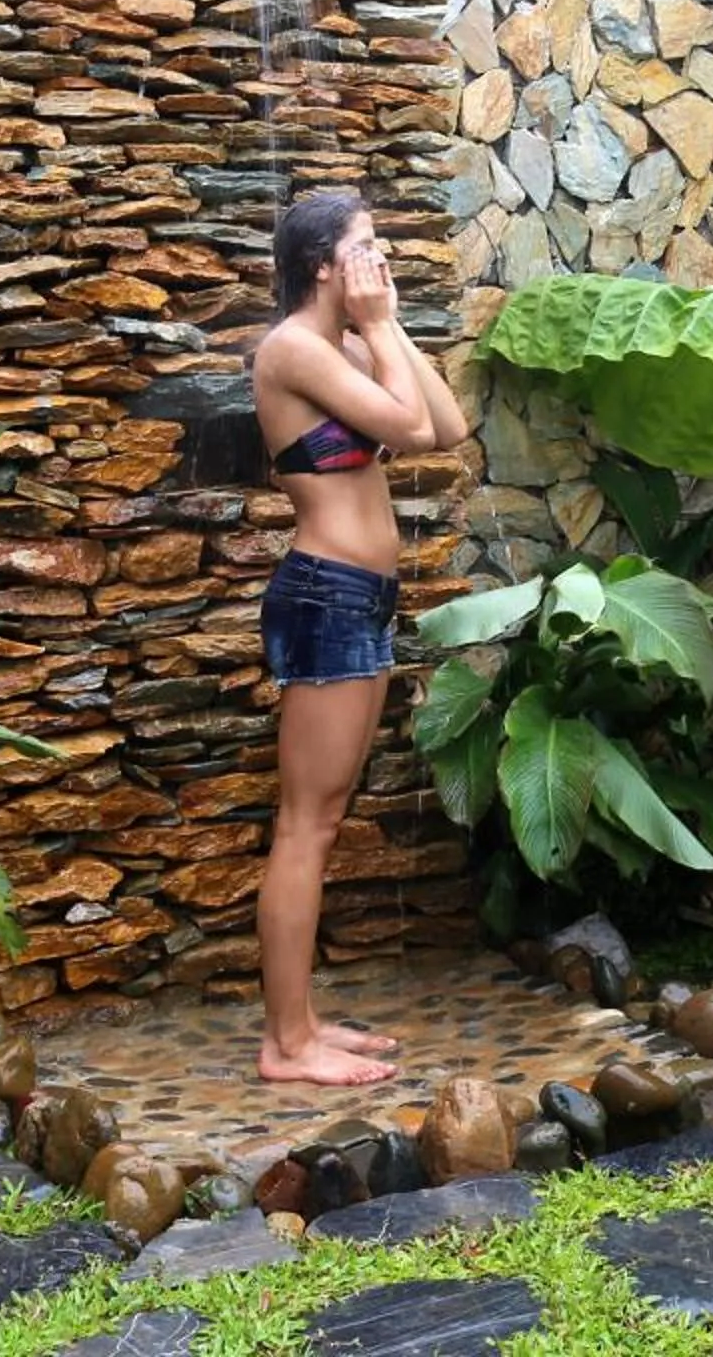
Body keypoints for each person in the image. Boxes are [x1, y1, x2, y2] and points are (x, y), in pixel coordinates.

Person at [247, 189, 467, 1086]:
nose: (382, 261)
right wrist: (375, 328)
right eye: (366, 248)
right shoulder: (293, 348)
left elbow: (448, 427)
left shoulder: (344, 344)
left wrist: (388, 326)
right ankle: (286, 1043)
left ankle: (301, 1025)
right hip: (326, 593)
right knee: (306, 823)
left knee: (326, 819)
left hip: (360, 599)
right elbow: (409, 430)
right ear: (322, 267)